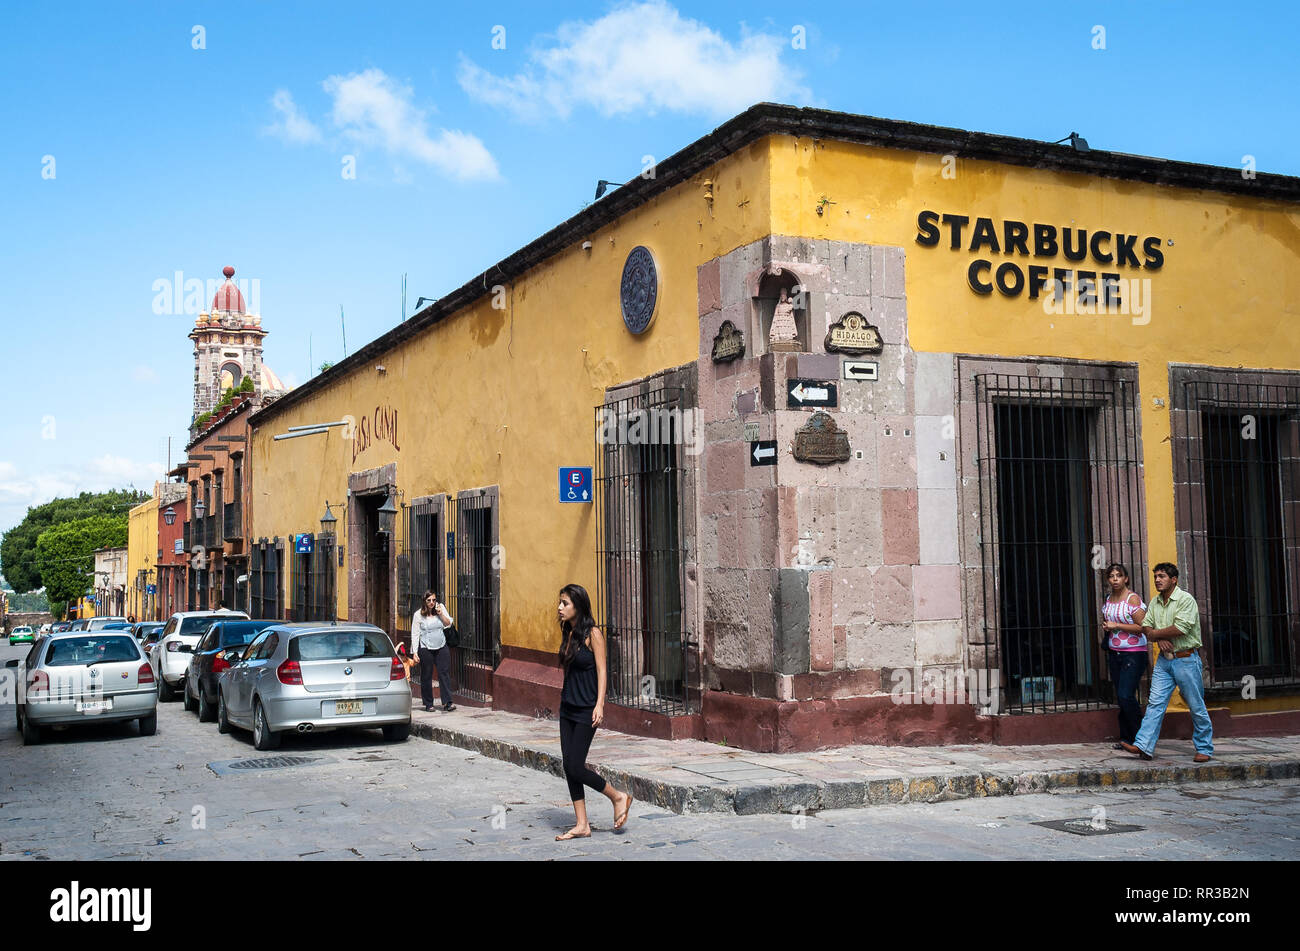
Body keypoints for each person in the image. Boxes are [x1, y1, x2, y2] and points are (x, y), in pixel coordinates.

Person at [554, 583, 633, 840]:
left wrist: (600, 704)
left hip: (587, 709)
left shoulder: (593, 634)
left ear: (578, 605)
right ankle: (582, 824)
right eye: (560, 603)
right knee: (569, 766)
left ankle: (617, 796)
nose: (560, 608)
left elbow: (602, 671)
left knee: (576, 766)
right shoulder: (568, 632)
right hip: (567, 707)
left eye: (565, 603)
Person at [1120, 563, 1214, 763]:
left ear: (1174, 579)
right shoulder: (1154, 602)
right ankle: (1144, 745)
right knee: (1155, 703)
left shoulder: (1185, 600)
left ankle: (1204, 747)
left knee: (1195, 705)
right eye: (1155, 576)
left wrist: (1154, 634)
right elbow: (1146, 624)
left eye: (1162, 576)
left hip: (1185, 659)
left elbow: (1181, 627)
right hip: (1164, 660)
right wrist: (1157, 638)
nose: (1157, 580)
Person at [1100, 563, 1147, 750]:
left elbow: (1143, 626)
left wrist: (1116, 626)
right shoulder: (1109, 598)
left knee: (1126, 695)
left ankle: (1141, 738)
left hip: (1134, 654)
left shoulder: (1132, 599)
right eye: (1111, 576)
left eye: (1119, 575)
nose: (1115, 579)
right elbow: (1108, 622)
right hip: (1115, 653)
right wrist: (1108, 627)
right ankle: (1127, 738)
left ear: (1126, 578)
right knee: (1121, 697)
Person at [411, 591, 456, 712]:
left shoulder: (440, 608)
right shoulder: (418, 615)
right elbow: (415, 634)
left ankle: (448, 702)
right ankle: (428, 703)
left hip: (441, 645)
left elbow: (448, 624)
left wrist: (441, 614)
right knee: (426, 674)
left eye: (434, 600)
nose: (432, 603)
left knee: (444, 672)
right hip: (426, 647)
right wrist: (415, 652)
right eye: (429, 600)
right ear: (424, 601)